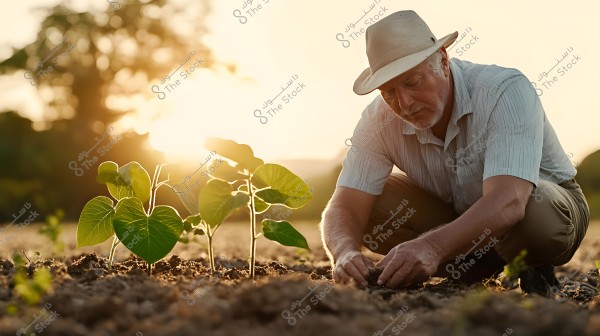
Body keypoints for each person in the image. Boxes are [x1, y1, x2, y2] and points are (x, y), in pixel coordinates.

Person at [320, 10, 589, 296]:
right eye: (389, 92)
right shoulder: (377, 120)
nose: (405, 103)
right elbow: (343, 206)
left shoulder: (504, 90)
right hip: (458, 215)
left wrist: (432, 247)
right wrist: (344, 254)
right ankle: (474, 267)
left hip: (546, 206)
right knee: (370, 203)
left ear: (444, 61)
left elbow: (509, 200)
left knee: (534, 216)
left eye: (412, 82)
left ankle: (530, 263)